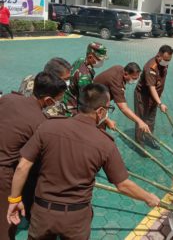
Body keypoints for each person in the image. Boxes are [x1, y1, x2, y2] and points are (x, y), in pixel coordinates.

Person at [7, 84, 160, 239]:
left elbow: (22, 166)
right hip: (75, 218)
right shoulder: (104, 143)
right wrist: (149, 198)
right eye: (108, 108)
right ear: (100, 111)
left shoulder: (48, 126)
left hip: (43, 213)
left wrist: (14, 199)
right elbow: (123, 185)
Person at [0, 72, 67, 240]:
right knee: (6, 225)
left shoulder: (8, 98)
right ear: (48, 101)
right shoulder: (40, 123)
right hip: (4, 174)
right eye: (58, 99)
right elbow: (30, 163)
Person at [134, 45, 173, 149]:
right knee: (141, 120)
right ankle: (139, 143)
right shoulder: (151, 67)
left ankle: (149, 138)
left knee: (151, 119)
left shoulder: (164, 64)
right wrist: (160, 103)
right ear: (158, 55)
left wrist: (158, 100)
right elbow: (151, 88)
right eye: (165, 59)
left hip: (154, 98)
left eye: (169, 60)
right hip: (143, 96)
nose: (167, 62)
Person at [93, 62, 151, 132]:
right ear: (126, 74)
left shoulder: (119, 68)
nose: (136, 80)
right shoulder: (117, 83)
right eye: (134, 78)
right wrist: (140, 122)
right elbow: (123, 108)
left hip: (96, 96)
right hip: (94, 103)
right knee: (99, 130)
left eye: (137, 77)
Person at [63, 42, 108, 115]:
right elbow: (85, 102)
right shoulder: (85, 78)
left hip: (67, 95)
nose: (102, 62)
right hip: (71, 107)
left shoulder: (81, 60)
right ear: (90, 57)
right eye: (99, 59)